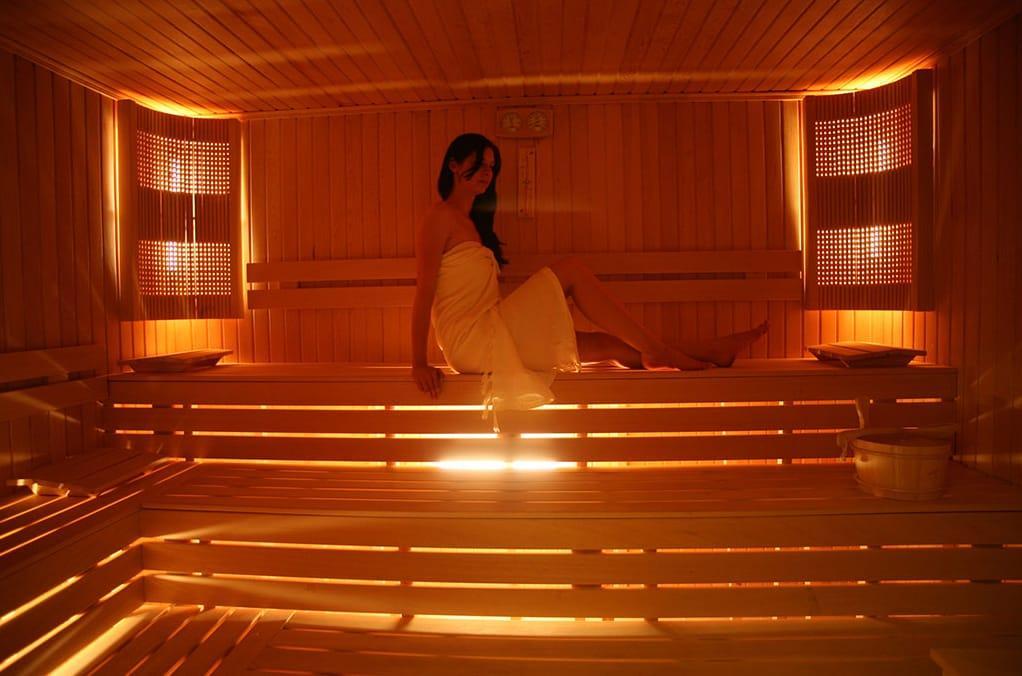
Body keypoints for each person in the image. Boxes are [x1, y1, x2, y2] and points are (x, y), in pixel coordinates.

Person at [411, 133, 767, 431]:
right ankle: (662, 350)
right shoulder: (439, 218)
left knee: (608, 346)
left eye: (492, 166)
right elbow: (424, 290)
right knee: (571, 270)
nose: (487, 172)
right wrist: (419, 362)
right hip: (470, 339)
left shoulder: (475, 225)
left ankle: (709, 349)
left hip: (491, 330)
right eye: (479, 163)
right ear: (453, 165)